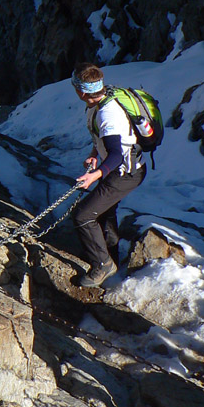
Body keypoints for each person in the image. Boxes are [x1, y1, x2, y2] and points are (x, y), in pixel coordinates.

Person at [71, 62, 146, 287]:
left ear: (82, 91)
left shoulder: (107, 114)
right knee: (104, 212)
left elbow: (116, 155)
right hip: (124, 168)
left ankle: (103, 264)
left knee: (83, 216)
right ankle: (110, 256)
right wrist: (95, 154)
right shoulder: (100, 102)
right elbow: (105, 141)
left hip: (125, 173)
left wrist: (94, 175)